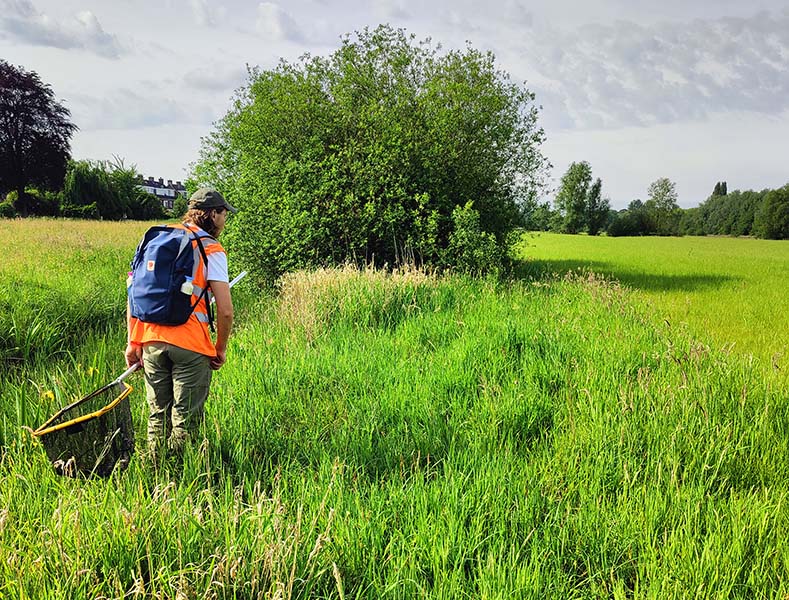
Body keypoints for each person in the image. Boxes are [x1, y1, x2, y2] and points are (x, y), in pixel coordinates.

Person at [125, 188, 237, 458]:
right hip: (190, 345)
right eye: (223, 214)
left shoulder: (156, 238)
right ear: (212, 214)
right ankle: (182, 480)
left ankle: (155, 475)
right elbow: (225, 311)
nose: (225, 220)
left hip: (150, 340)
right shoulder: (211, 248)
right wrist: (220, 348)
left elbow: (133, 293)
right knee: (186, 420)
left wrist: (133, 343)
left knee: (157, 416)